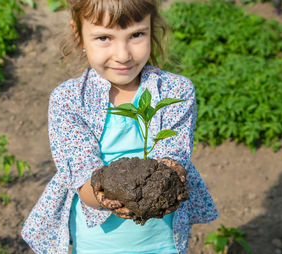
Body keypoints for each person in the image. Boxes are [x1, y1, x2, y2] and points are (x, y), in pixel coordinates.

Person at [21, 0, 218, 253]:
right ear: (78, 35)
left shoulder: (175, 91)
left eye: (136, 35)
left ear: (152, 29)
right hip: (98, 243)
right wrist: (108, 197)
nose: (123, 54)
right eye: (104, 38)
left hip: (163, 241)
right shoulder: (69, 100)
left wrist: (172, 171)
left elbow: (174, 152)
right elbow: (82, 176)